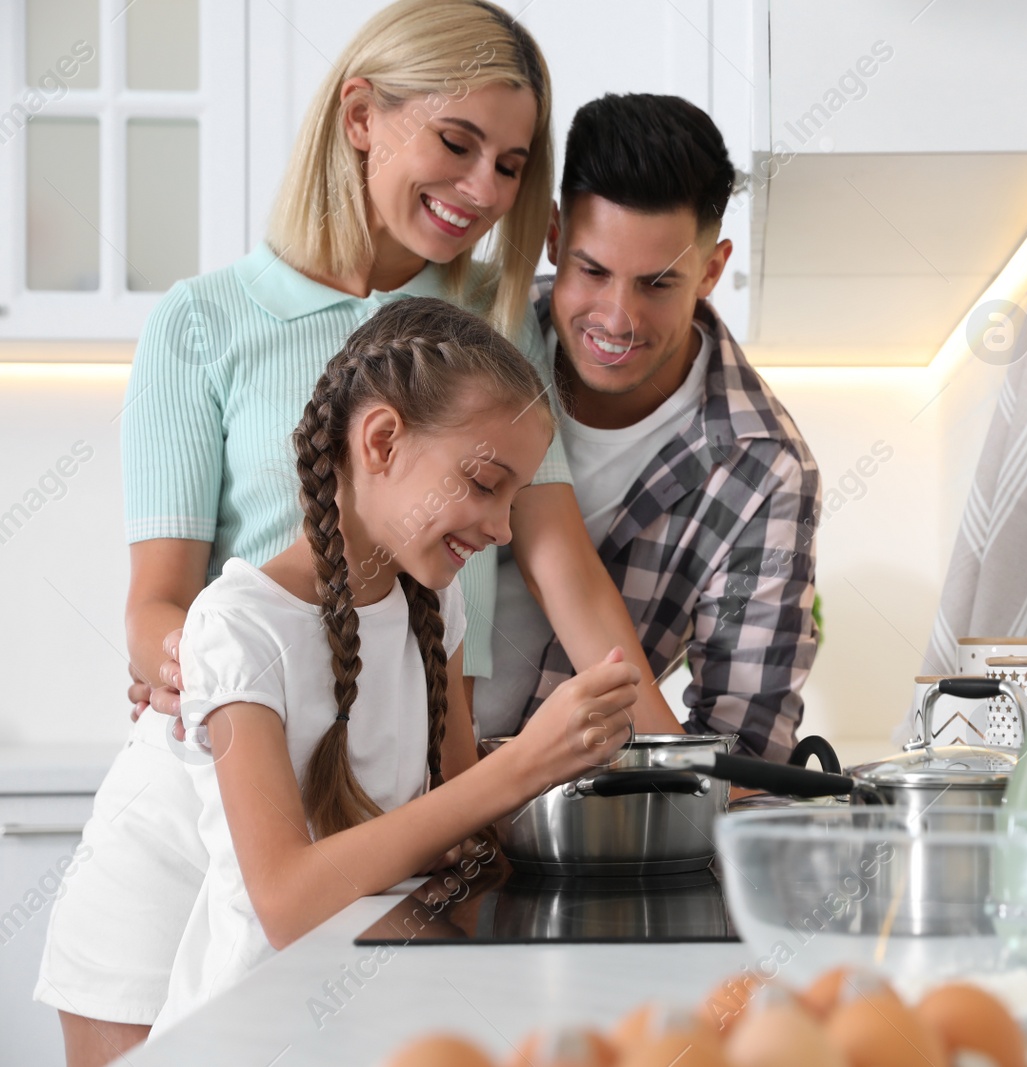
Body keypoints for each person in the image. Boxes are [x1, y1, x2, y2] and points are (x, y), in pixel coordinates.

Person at [35, 5, 669, 1064]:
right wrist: (213, 672)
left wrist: (665, 760)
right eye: (456, 144)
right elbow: (160, 603)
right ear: (363, 115)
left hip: (383, 816)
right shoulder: (205, 322)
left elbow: (567, 573)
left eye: (511, 166)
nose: (481, 192)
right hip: (202, 828)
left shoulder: (482, 338)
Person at [145, 296, 638, 1034]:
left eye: (514, 496)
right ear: (380, 441)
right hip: (255, 1029)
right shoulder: (236, 625)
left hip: (378, 1012)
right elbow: (286, 901)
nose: (502, 526)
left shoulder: (435, 610)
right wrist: (525, 762)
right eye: (482, 482)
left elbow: (461, 830)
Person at [475, 94, 821, 762]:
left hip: (577, 826)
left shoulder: (763, 469)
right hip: (393, 792)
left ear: (711, 271)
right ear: (552, 236)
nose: (617, 317)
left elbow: (743, 747)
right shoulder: (481, 340)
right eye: (592, 270)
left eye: (657, 284)